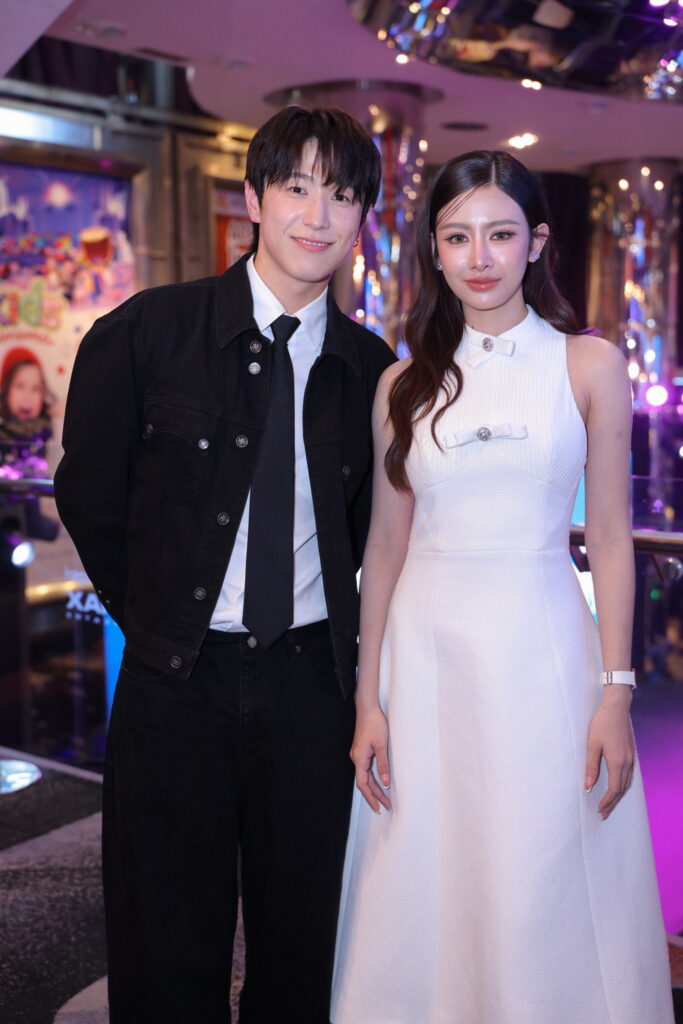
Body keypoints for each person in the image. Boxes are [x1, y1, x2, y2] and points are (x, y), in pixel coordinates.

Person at [54, 106, 395, 1024]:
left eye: (341, 195)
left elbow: (374, 535)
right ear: (252, 196)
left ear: (362, 216)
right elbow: (89, 492)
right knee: (165, 945)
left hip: (311, 690)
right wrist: (155, 620)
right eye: (296, 187)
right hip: (176, 685)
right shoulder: (146, 332)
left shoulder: (373, 371)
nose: (317, 216)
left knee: (304, 947)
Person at [331, 150, 674, 1024]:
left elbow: (608, 538)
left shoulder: (588, 365)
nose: (478, 257)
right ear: (433, 250)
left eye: (499, 234)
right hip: (422, 657)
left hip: (542, 648)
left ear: (537, 242)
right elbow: (384, 546)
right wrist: (367, 700)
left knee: (543, 861)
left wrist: (616, 691)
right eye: (457, 237)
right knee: (424, 868)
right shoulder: (400, 385)